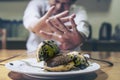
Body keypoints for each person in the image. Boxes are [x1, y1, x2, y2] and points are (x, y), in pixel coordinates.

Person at [23, 0, 89, 52]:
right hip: (34, 55)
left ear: (71, 2)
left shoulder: (78, 10)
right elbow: (30, 21)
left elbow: (83, 29)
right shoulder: (36, 4)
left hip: (68, 56)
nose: (58, 7)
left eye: (64, 4)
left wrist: (77, 39)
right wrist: (36, 26)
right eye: (56, 1)